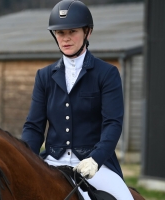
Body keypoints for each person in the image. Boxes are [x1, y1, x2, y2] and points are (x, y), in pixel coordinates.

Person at [22, 0, 133, 199]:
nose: (66, 38)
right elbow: (33, 127)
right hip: (52, 162)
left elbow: (113, 124)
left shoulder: (107, 74)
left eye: (72, 31)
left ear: (87, 32)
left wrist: (96, 159)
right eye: (60, 33)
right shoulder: (44, 76)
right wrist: (26, 159)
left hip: (94, 164)